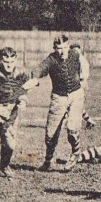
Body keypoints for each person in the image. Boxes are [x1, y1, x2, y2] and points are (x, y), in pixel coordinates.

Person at [31, 35, 90, 171]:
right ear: (54, 48)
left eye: (64, 47)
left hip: (76, 95)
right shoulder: (51, 59)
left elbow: (85, 65)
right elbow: (40, 68)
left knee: (72, 129)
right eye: (59, 48)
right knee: (50, 134)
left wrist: (83, 78)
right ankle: (48, 161)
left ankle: (75, 153)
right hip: (58, 98)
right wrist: (34, 77)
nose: (62, 51)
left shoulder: (75, 54)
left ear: (68, 46)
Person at [0, 48, 39, 179]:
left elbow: (34, 81)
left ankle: (5, 165)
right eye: (6, 62)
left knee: (9, 144)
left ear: (16, 60)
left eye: (12, 61)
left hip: (10, 110)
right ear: (0, 60)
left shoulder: (21, 72)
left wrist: (23, 99)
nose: (9, 65)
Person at [70, 43, 97, 130]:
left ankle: (87, 121)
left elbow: (81, 75)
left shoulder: (78, 59)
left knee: (72, 104)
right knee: (75, 104)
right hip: (81, 83)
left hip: (79, 83)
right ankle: (89, 121)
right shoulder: (82, 59)